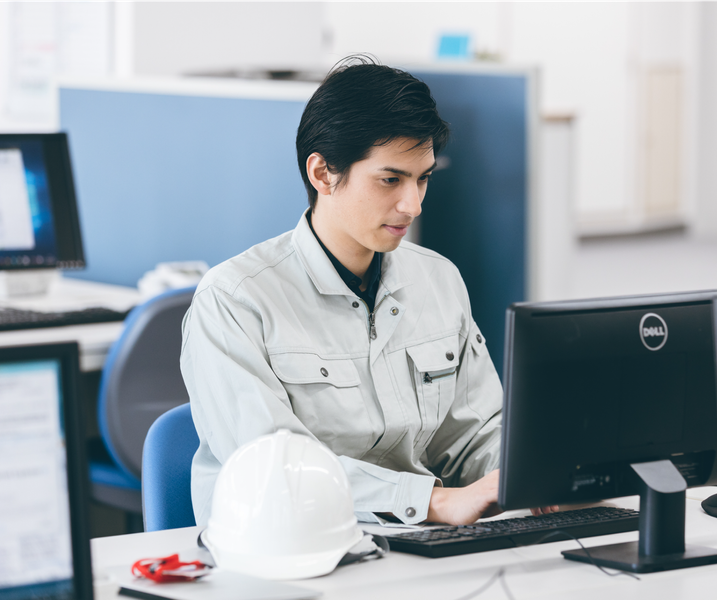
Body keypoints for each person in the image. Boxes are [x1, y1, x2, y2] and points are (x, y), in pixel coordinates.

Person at [181, 57, 552, 527]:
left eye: (423, 178)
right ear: (323, 174)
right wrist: (432, 502)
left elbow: (472, 436)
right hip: (290, 544)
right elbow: (273, 471)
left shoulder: (437, 280)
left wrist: (528, 477)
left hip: (415, 539)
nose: (413, 205)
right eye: (390, 179)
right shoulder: (235, 300)